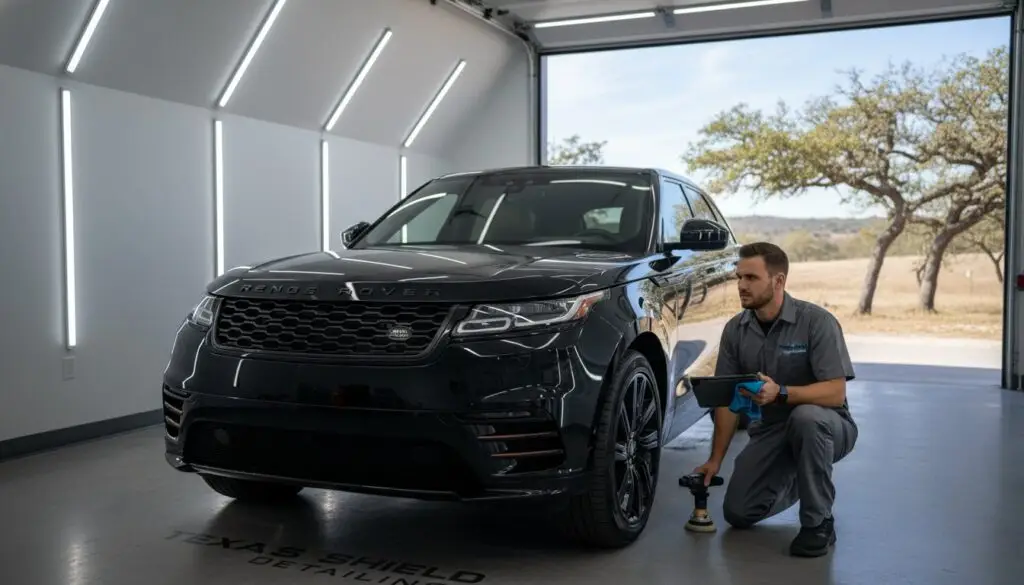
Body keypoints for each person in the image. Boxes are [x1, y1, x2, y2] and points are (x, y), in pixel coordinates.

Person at [693, 241, 858, 557]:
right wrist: (715, 460)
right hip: (771, 432)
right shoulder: (735, 330)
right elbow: (728, 401)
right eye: (739, 277)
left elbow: (835, 392)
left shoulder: (816, 322)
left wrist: (782, 392)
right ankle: (804, 477)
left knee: (806, 418)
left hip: (828, 425)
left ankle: (818, 522)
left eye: (751, 278)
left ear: (778, 281)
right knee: (738, 512)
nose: (741, 285)